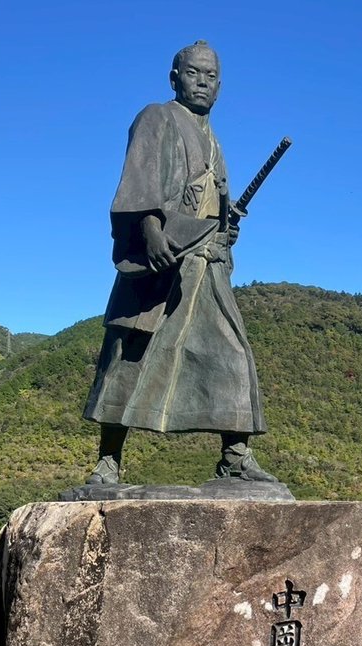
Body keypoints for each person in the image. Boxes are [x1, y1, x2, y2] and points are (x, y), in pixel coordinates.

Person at [82, 41, 277, 485]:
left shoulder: (214, 140)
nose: (203, 83)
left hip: (206, 262)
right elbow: (139, 181)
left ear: (220, 86)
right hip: (163, 258)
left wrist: (227, 229)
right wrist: (150, 230)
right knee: (131, 353)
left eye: (211, 77)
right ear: (175, 78)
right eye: (194, 74)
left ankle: (235, 456)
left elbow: (214, 209)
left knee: (231, 353)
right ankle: (108, 461)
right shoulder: (157, 116)